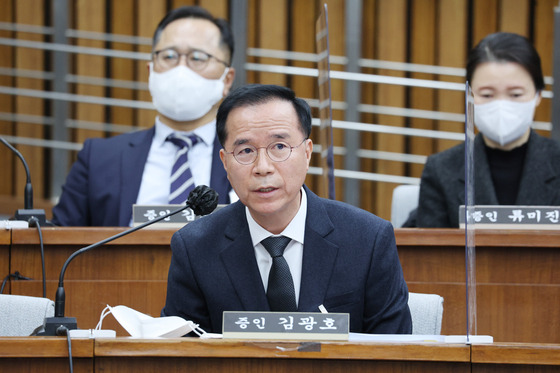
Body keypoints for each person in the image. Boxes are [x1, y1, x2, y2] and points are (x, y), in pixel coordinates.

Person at [162, 84, 412, 334]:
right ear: (225, 162)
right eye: (246, 151)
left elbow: (396, 352)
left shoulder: (367, 240)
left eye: (279, 147)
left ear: (307, 153)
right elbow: (182, 354)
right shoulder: (196, 247)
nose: (263, 167)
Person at [51, 6, 236, 226]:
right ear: (150, 72)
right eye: (169, 56)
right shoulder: (99, 159)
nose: (180, 69)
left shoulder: (247, 158)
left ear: (227, 80)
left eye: (197, 58)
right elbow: (58, 243)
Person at [416, 32, 560, 228]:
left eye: (516, 94)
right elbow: (429, 252)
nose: (501, 104)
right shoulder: (441, 170)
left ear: (538, 95)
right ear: (469, 96)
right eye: (487, 94)